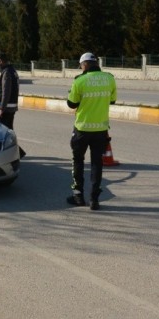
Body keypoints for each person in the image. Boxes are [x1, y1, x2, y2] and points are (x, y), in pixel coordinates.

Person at [66, 52, 116, 210]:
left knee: (78, 161)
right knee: (96, 163)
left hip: (82, 128)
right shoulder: (109, 78)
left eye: (81, 65)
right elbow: (112, 100)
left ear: (85, 64)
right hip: (101, 129)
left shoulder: (79, 81)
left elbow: (71, 104)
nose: (81, 68)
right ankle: (94, 199)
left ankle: (78, 196)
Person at [0, 53, 19, 129]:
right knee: (9, 129)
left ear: (0, 61)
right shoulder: (13, 71)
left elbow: (6, 91)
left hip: (6, 109)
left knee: (4, 131)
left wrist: (2, 108)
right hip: (12, 107)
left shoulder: (6, 72)